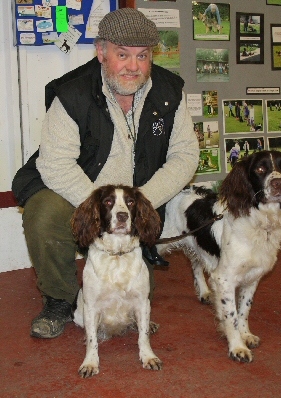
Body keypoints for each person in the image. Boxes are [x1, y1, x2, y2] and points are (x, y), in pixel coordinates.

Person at [12, 8, 199, 339]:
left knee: (138, 298)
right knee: (43, 215)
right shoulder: (71, 94)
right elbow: (55, 164)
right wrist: (101, 210)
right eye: (122, 54)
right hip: (79, 193)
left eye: (142, 56)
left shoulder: (170, 92)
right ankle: (59, 300)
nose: (133, 66)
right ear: (101, 52)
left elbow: (185, 156)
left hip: (134, 199)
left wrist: (140, 204)